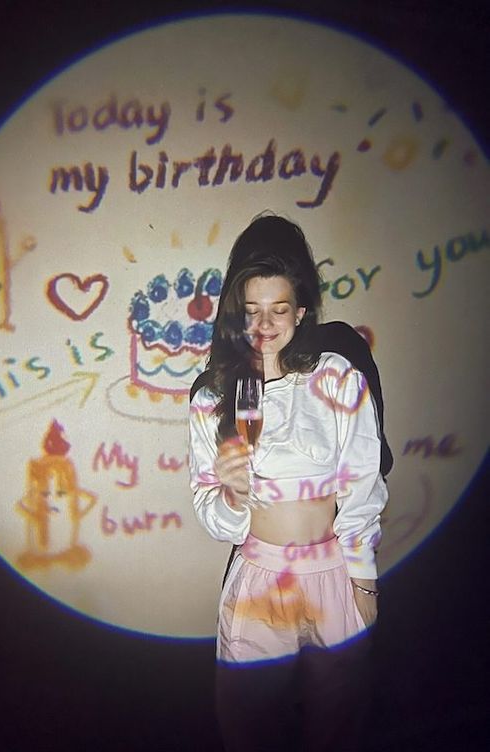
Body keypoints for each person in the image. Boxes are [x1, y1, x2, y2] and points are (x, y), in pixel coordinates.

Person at [188, 215, 389, 751]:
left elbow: (362, 483)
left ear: (300, 312)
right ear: (236, 315)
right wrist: (231, 493)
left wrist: (364, 581)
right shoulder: (214, 396)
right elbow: (210, 511)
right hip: (258, 577)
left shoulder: (337, 376)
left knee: (340, 726)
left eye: (279, 310)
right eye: (251, 312)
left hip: (332, 573)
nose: (265, 325)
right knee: (248, 728)